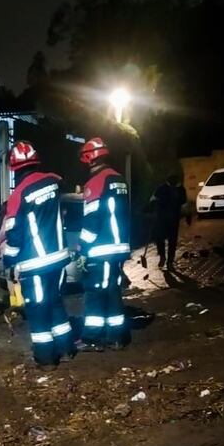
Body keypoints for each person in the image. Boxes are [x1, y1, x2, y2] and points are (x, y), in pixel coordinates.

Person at [1, 141, 74, 366]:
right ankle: (67, 348)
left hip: (35, 264)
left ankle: (46, 358)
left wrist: (8, 261)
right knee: (55, 303)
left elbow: (14, 235)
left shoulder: (19, 195)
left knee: (37, 309)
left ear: (14, 168)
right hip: (58, 258)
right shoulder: (53, 182)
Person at [77, 137, 132, 350]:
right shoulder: (119, 179)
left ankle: (94, 337)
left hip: (102, 249)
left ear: (90, 159)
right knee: (111, 290)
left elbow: (91, 221)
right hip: (118, 246)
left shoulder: (96, 183)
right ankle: (116, 336)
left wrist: (82, 248)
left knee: (96, 292)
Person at [152, 175, 187, 270]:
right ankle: (166, 259)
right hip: (165, 219)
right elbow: (153, 200)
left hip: (169, 219)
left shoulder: (178, 190)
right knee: (164, 240)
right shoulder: (164, 189)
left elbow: (184, 204)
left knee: (167, 240)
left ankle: (168, 261)